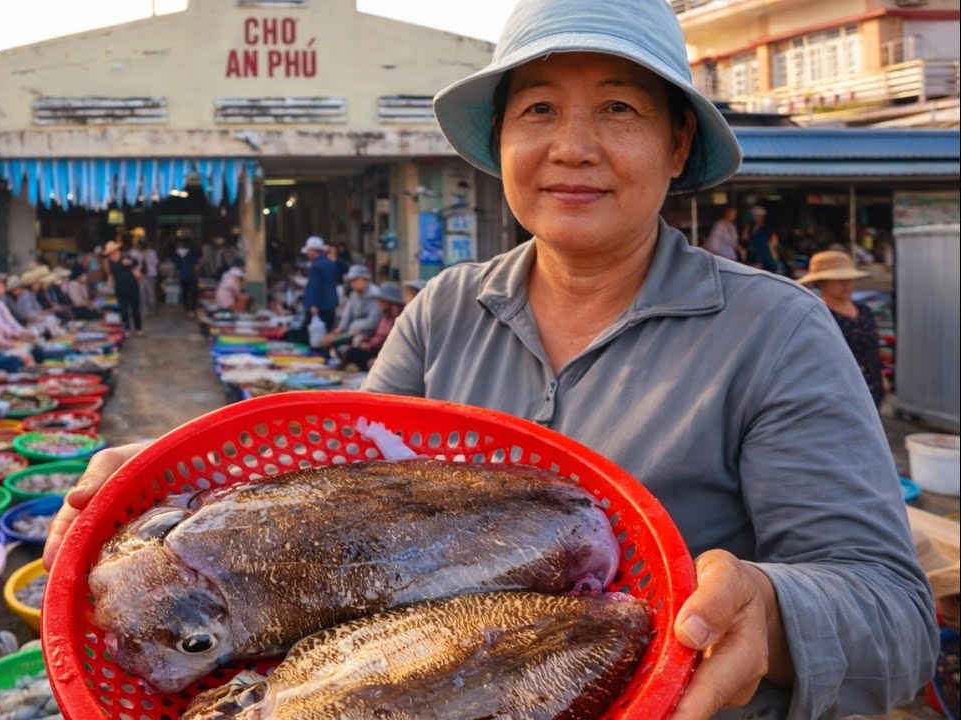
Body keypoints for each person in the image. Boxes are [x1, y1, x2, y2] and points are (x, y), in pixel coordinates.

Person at [45, 1, 937, 718]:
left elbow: (895, 618)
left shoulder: (774, 331)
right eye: (538, 109)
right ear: (501, 144)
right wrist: (167, 507)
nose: (572, 145)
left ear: (676, 146)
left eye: (619, 108)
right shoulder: (442, 312)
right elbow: (335, 521)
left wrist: (769, 614)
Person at [797, 251, 886, 408]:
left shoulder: (864, 311)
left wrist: (883, 377)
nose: (847, 284)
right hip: (837, 394)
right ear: (822, 282)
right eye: (839, 279)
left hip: (872, 387)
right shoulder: (817, 316)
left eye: (849, 278)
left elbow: (873, 349)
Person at [341, 281, 404, 371]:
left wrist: (369, 345)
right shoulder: (385, 315)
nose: (379, 303)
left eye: (382, 300)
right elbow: (377, 334)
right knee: (350, 351)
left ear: (390, 301)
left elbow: (389, 339)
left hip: (388, 352)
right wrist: (366, 342)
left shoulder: (398, 317)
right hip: (376, 347)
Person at [320, 265, 380, 353]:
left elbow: (373, 321)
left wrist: (354, 327)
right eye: (351, 281)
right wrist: (338, 330)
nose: (352, 284)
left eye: (354, 280)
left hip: (369, 332)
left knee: (342, 346)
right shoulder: (353, 295)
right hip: (353, 331)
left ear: (363, 278)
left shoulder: (375, 294)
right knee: (327, 341)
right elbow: (346, 316)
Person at [104, 241, 143, 336]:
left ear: (116, 249)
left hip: (132, 285)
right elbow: (110, 275)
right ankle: (127, 329)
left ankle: (138, 329)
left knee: (135, 310)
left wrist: (130, 262)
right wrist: (108, 286)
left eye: (113, 250)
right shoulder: (108, 261)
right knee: (123, 310)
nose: (112, 252)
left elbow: (136, 262)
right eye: (110, 251)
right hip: (119, 288)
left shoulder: (125, 256)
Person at [301, 236, 340, 331]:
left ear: (313, 251)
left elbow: (315, 287)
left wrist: (313, 305)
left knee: (312, 335)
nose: (308, 254)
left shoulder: (316, 266)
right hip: (330, 305)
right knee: (327, 331)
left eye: (309, 251)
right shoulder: (330, 263)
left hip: (319, 307)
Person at [746, 206, 780, 274]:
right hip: (755, 257)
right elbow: (747, 239)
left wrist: (774, 255)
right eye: (755, 216)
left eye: (758, 216)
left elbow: (774, 242)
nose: (756, 218)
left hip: (766, 257)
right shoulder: (751, 228)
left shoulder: (767, 228)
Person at [173, 237, 201, 318]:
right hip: (192, 276)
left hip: (183, 276)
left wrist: (176, 276)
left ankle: (187, 309)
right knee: (193, 293)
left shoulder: (176, 254)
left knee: (185, 293)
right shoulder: (192, 253)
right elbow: (197, 266)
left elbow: (177, 267)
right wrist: (197, 274)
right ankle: (191, 310)